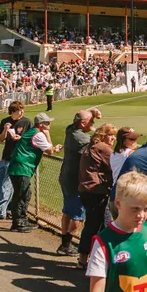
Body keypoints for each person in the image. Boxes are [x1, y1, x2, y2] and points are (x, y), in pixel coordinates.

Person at [8, 112, 61, 232]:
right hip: (21, 167)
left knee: (25, 194)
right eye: (47, 123)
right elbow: (49, 150)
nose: (49, 124)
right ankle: (18, 223)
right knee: (21, 195)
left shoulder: (34, 132)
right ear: (41, 124)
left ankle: (22, 219)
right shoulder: (39, 135)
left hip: (20, 167)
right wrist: (48, 135)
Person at [58, 108, 99, 257]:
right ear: (82, 124)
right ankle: (66, 244)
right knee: (78, 215)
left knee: (67, 211)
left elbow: (79, 120)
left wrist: (91, 113)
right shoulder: (81, 138)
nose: (93, 123)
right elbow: (98, 141)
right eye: (91, 121)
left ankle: (64, 243)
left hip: (66, 178)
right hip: (76, 181)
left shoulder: (70, 130)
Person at [77, 124, 118, 264]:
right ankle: (89, 258)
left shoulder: (91, 147)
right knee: (98, 225)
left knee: (96, 224)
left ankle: (91, 257)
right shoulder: (103, 148)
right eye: (110, 135)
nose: (113, 138)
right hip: (95, 191)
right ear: (103, 135)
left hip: (86, 190)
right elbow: (115, 165)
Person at [0, 101, 29, 221]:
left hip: (16, 158)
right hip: (5, 156)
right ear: (13, 111)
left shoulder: (26, 122)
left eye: (22, 110)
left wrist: (20, 138)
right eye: (19, 110)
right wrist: (6, 130)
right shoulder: (5, 121)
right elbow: (1, 139)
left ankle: (0, 212)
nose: (22, 112)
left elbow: (30, 139)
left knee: (7, 186)